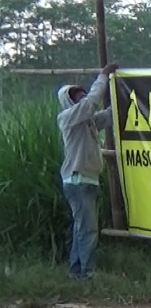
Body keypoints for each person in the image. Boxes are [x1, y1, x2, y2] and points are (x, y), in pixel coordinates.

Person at [56, 62, 119, 279]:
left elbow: (110, 115)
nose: (82, 96)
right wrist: (103, 77)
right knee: (88, 230)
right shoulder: (67, 118)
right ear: (68, 101)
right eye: (76, 95)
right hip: (77, 181)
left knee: (80, 229)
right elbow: (91, 104)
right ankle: (88, 273)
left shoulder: (88, 122)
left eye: (82, 92)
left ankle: (76, 271)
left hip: (86, 181)